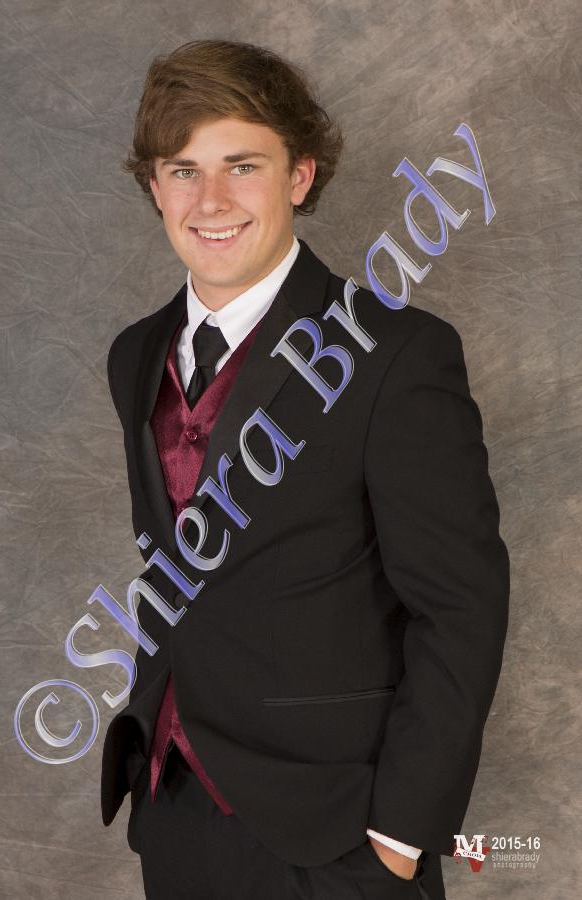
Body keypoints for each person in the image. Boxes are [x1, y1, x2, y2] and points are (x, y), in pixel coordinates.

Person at [100, 39, 510, 900]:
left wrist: (399, 836)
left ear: (300, 175)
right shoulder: (135, 355)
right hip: (173, 814)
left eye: (242, 165)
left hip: (335, 834)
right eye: (184, 170)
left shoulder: (396, 355)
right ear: (154, 187)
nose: (211, 200)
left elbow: (460, 609)